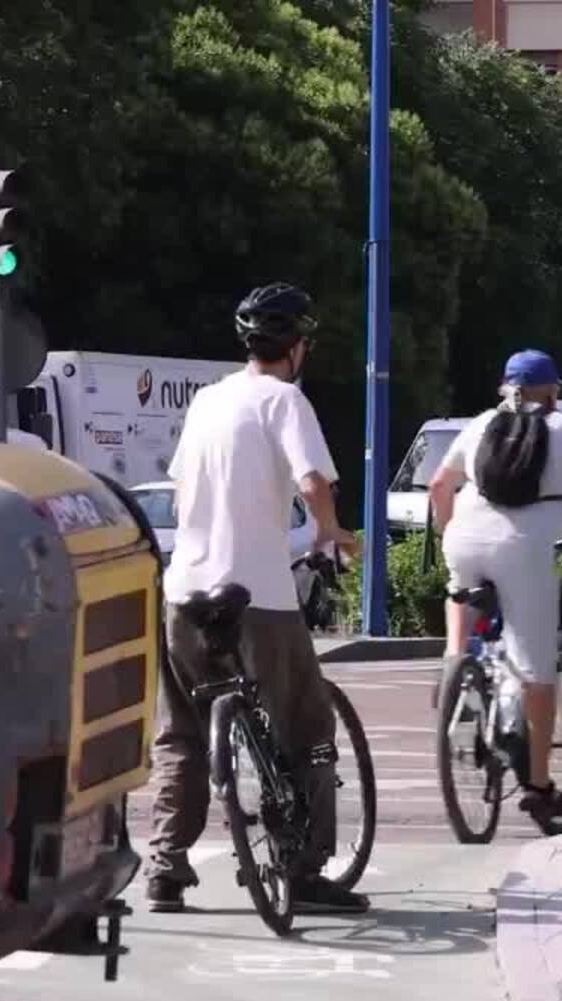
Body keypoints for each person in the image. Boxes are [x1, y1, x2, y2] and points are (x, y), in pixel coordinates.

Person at [145, 283, 366, 915]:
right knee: (306, 724)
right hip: (259, 597)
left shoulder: (209, 401)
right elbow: (313, 480)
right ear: (297, 347)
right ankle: (303, 872)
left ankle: (165, 868)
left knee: (181, 734)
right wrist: (328, 534)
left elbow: (185, 488)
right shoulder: (285, 400)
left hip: (185, 589)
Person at [430, 349, 562, 833]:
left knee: (461, 590)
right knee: (537, 669)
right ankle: (540, 787)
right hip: (527, 548)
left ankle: (454, 665)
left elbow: (441, 485)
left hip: (466, 536)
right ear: (551, 390)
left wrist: (450, 534)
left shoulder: (482, 423)